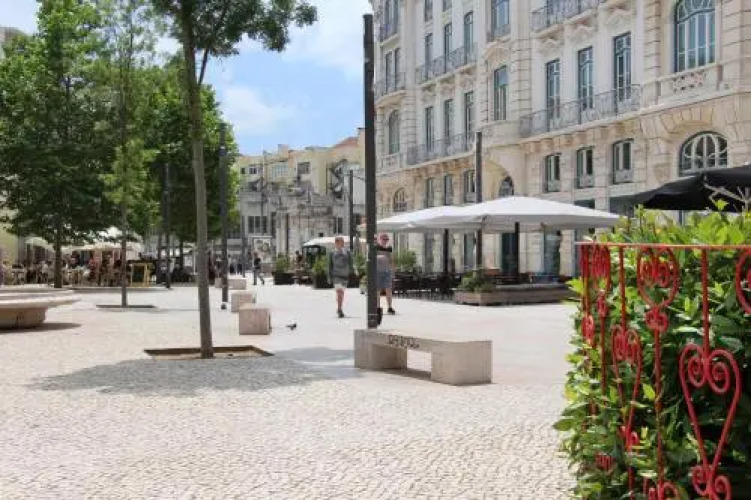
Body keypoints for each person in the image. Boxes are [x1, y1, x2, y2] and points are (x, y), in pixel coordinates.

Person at [328, 236, 353, 318]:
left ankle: (339, 307)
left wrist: (353, 270)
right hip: (336, 275)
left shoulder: (347, 252)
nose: (342, 244)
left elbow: (351, 262)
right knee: (339, 292)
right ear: (336, 243)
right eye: (340, 242)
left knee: (342, 293)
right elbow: (330, 265)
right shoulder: (332, 252)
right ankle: (339, 309)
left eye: (343, 242)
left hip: (345, 275)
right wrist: (329, 276)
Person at [375, 233, 396, 322]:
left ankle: (390, 307)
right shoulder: (376, 247)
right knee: (378, 290)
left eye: (387, 239)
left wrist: (393, 271)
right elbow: (373, 258)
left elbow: (391, 260)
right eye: (384, 239)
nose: (385, 241)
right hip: (378, 271)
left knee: (388, 289)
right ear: (380, 239)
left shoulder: (389, 248)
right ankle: (377, 307)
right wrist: (380, 257)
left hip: (387, 271)